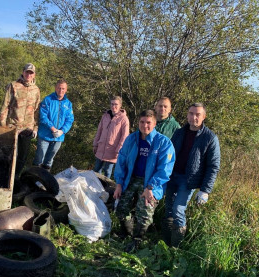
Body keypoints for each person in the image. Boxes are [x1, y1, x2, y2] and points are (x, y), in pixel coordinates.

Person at [113, 109, 175, 252]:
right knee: (121, 206)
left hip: (152, 183)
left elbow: (165, 169)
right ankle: (126, 233)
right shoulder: (132, 139)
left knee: (145, 209)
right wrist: (119, 183)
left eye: (148, 123)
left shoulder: (164, 143)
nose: (145, 125)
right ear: (138, 122)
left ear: (154, 124)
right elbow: (121, 160)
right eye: (142, 122)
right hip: (131, 179)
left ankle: (138, 239)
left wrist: (150, 187)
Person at [162, 103, 220, 247]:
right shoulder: (179, 132)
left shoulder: (210, 138)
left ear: (203, 117)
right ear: (187, 115)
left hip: (188, 181)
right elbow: (170, 154)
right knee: (168, 207)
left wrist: (205, 190)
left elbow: (213, 166)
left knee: (178, 209)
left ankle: (176, 247)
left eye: (197, 114)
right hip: (172, 176)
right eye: (191, 113)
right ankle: (165, 243)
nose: (194, 117)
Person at [0, 63, 41, 177]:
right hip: (13, 127)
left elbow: (37, 111)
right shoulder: (13, 86)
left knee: (22, 157)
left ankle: (15, 178)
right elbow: (5, 106)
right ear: (23, 72)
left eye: (31, 73)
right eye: (27, 72)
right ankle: (5, 177)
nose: (29, 75)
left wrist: (35, 128)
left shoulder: (36, 90)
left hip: (27, 129)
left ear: (34, 75)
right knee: (9, 154)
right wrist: (2, 125)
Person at [32, 79, 74, 171]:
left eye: (63, 89)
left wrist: (62, 131)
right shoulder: (48, 100)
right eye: (59, 88)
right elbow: (43, 116)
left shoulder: (68, 104)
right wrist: (52, 128)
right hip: (45, 135)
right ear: (55, 88)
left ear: (66, 90)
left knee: (49, 161)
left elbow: (70, 120)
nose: (61, 90)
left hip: (58, 137)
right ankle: (33, 180)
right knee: (39, 159)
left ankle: (44, 181)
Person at [93, 96, 129, 178]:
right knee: (96, 170)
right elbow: (99, 131)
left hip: (113, 150)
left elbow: (125, 136)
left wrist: (119, 149)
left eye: (116, 104)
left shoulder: (124, 119)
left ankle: (105, 190)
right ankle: (94, 188)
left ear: (120, 105)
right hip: (101, 148)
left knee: (107, 172)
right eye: (112, 104)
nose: (113, 106)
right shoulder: (105, 116)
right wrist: (95, 144)